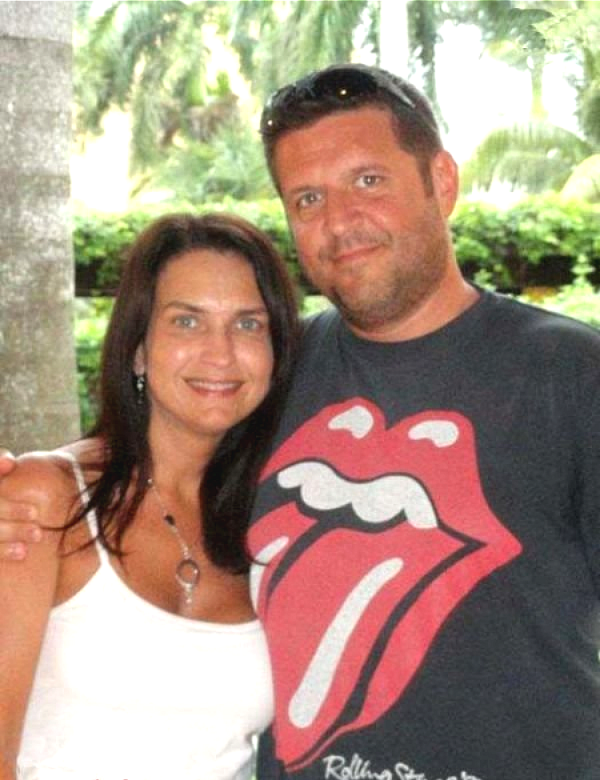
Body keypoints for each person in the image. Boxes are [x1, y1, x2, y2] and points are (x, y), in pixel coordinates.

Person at [1, 63, 600, 779]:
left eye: (368, 181)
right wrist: (31, 485)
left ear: (441, 181)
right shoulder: (275, 372)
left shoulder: (572, 374)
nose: (339, 221)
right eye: (308, 198)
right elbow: (155, 446)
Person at [0, 212, 299, 780]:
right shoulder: (45, 500)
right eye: (187, 321)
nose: (220, 353)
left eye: (248, 324)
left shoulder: (274, 520)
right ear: (138, 348)